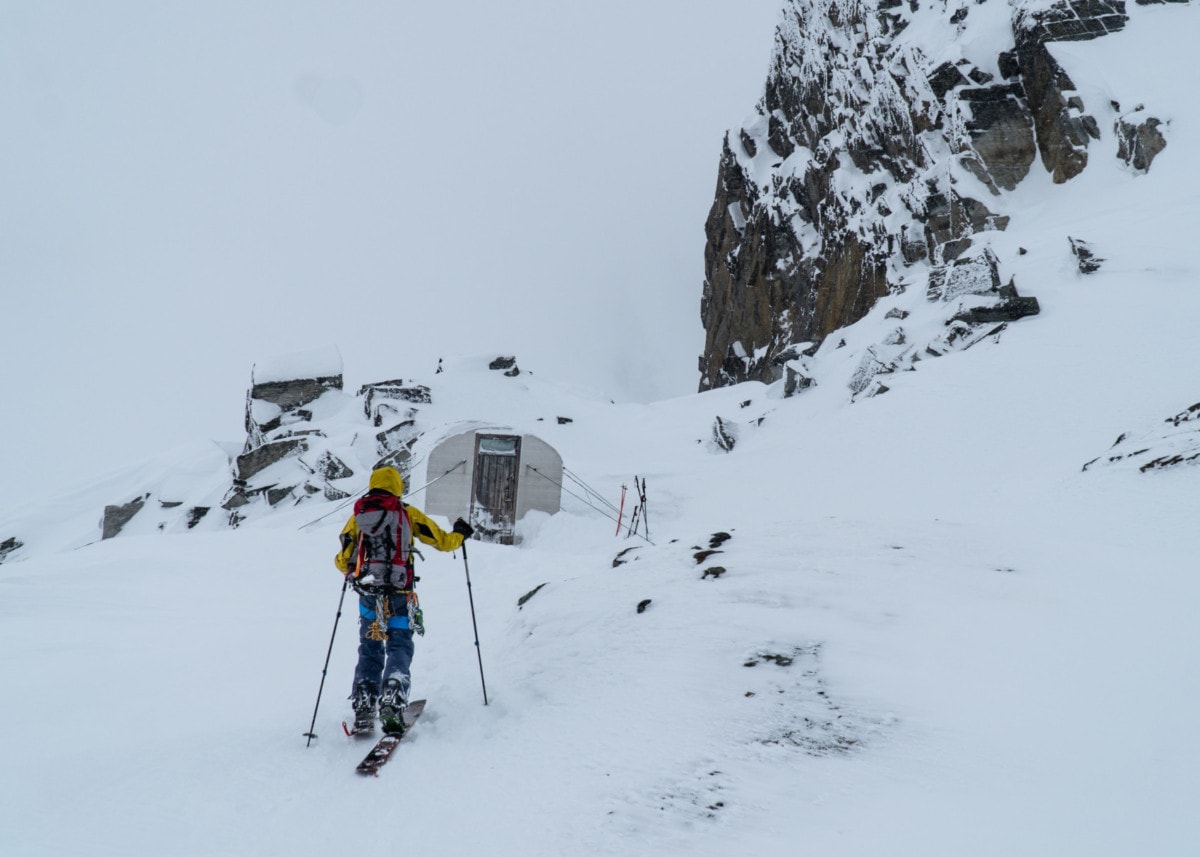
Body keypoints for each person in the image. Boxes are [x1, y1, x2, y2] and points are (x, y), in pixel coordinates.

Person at [334, 465, 473, 734]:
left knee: (370, 646)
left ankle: (364, 702)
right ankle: (393, 698)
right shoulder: (407, 513)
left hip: (368, 595)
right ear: (397, 486)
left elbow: (343, 560)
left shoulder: (358, 516)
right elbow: (443, 541)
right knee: (398, 645)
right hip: (400, 593)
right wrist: (460, 534)